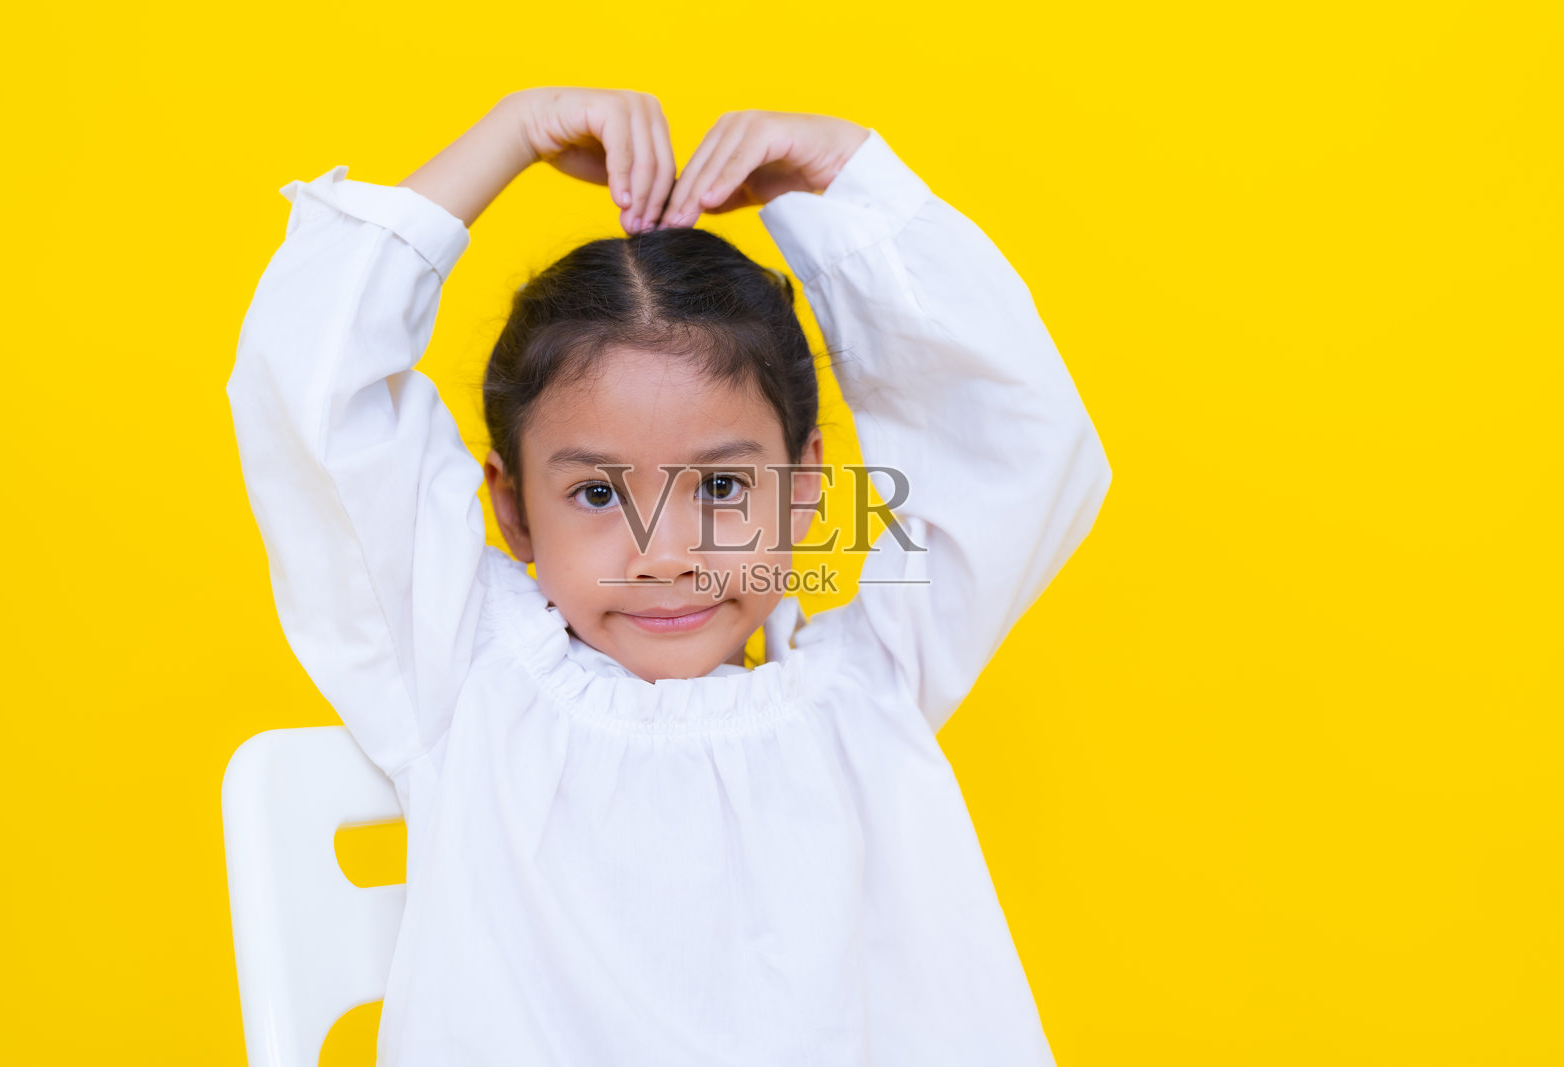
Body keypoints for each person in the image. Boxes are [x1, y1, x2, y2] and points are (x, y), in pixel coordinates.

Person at [227, 86, 1113, 1066]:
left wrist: (848, 178)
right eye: (600, 495)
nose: (668, 550)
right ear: (514, 507)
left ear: (806, 485)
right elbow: (307, 386)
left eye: (724, 485)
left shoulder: (869, 687)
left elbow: (1018, 448)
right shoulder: (462, 678)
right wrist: (511, 134)